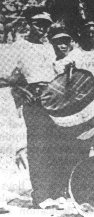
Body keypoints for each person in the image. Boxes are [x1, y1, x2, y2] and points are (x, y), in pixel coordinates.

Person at [3, 9, 58, 208]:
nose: (42, 28)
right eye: (38, 23)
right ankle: (40, 196)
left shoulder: (50, 48)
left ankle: (53, 192)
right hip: (33, 100)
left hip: (53, 100)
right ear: (28, 23)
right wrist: (19, 88)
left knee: (53, 146)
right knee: (38, 147)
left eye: (46, 24)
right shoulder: (18, 46)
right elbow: (5, 77)